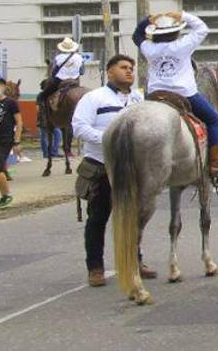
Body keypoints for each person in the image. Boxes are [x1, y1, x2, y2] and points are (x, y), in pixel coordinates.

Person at [70, 54, 147, 287]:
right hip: (101, 166)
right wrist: (108, 139)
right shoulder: (94, 98)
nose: (129, 71)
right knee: (98, 218)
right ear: (110, 71)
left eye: (131, 68)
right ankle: (95, 267)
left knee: (132, 218)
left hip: (130, 167)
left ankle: (135, 261)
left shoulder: (138, 99)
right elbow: (79, 127)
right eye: (123, 67)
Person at [132, 12, 218, 179]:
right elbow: (202, 28)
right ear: (176, 32)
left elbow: (136, 35)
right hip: (184, 94)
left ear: (155, 33)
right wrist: (182, 15)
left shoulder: (149, 48)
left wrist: (147, 20)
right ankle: (217, 163)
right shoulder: (183, 45)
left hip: (155, 95)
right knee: (214, 120)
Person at [0, 78, 21, 209]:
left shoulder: (11, 103)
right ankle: (4, 196)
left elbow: (19, 122)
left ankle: (6, 196)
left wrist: (17, 141)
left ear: (3, 88)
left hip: (6, 139)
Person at [35, 37, 84, 122]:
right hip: (75, 82)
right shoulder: (79, 57)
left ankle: (43, 119)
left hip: (60, 81)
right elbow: (82, 71)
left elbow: (54, 71)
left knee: (42, 96)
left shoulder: (58, 58)